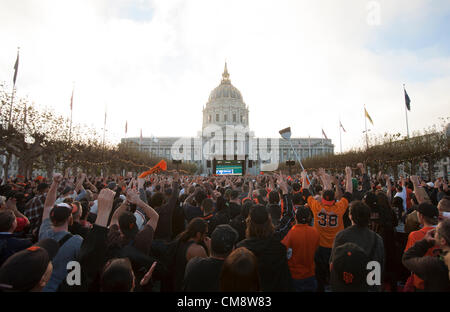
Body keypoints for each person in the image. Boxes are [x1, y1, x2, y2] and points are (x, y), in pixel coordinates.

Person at [237, 176, 294, 292]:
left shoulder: (242, 248)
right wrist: (285, 192)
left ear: (249, 222)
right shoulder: (278, 237)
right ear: (268, 220)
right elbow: (289, 216)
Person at [301, 167, 353, 292]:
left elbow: (305, 191)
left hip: (320, 247)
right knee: (335, 275)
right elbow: (349, 192)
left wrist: (304, 177)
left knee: (319, 276)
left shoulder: (317, 207)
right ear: (334, 199)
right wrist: (348, 174)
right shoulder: (339, 207)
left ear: (322, 198)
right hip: (336, 247)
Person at [39, 173, 84, 292]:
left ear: (52, 218)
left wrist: (55, 183)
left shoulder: (44, 232)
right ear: (70, 219)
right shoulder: (77, 241)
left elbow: (48, 205)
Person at [330, 201, 384, 291]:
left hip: (345, 285)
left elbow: (332, 264)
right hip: (367, 286)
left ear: (350, 216)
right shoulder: (377, 239)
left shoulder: (341, 236)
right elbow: (378, 266)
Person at [183, 224, 238, 291]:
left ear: (211, 244)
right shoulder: (235, 274)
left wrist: (210, 252)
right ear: (232, 249)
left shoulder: (193, 266)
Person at [402, 218, 450, 291]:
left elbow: (407, 258)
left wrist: (425, 242)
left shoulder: (434, 265)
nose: (433, 232)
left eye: (436, 231)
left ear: (443, 241)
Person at [281, 206, 319, 292]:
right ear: (309, 218)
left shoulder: (291, 233)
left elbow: (283, 250)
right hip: (311, 274)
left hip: (295, 275)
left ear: (295, 217)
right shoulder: (315, 232)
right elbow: (316, 249)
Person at [403, 202, 439, 291]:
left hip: (421, 283)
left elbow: (408, 260)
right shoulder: (445, 233)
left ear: (421, 216)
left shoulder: (415, 235)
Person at [168, 217, 210, 291]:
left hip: (174, 283)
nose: (206, 236)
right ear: (198, 234)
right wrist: (209, 249)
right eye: (205, 233)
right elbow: (208, 271)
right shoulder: (197, 249)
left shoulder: (180, 239)